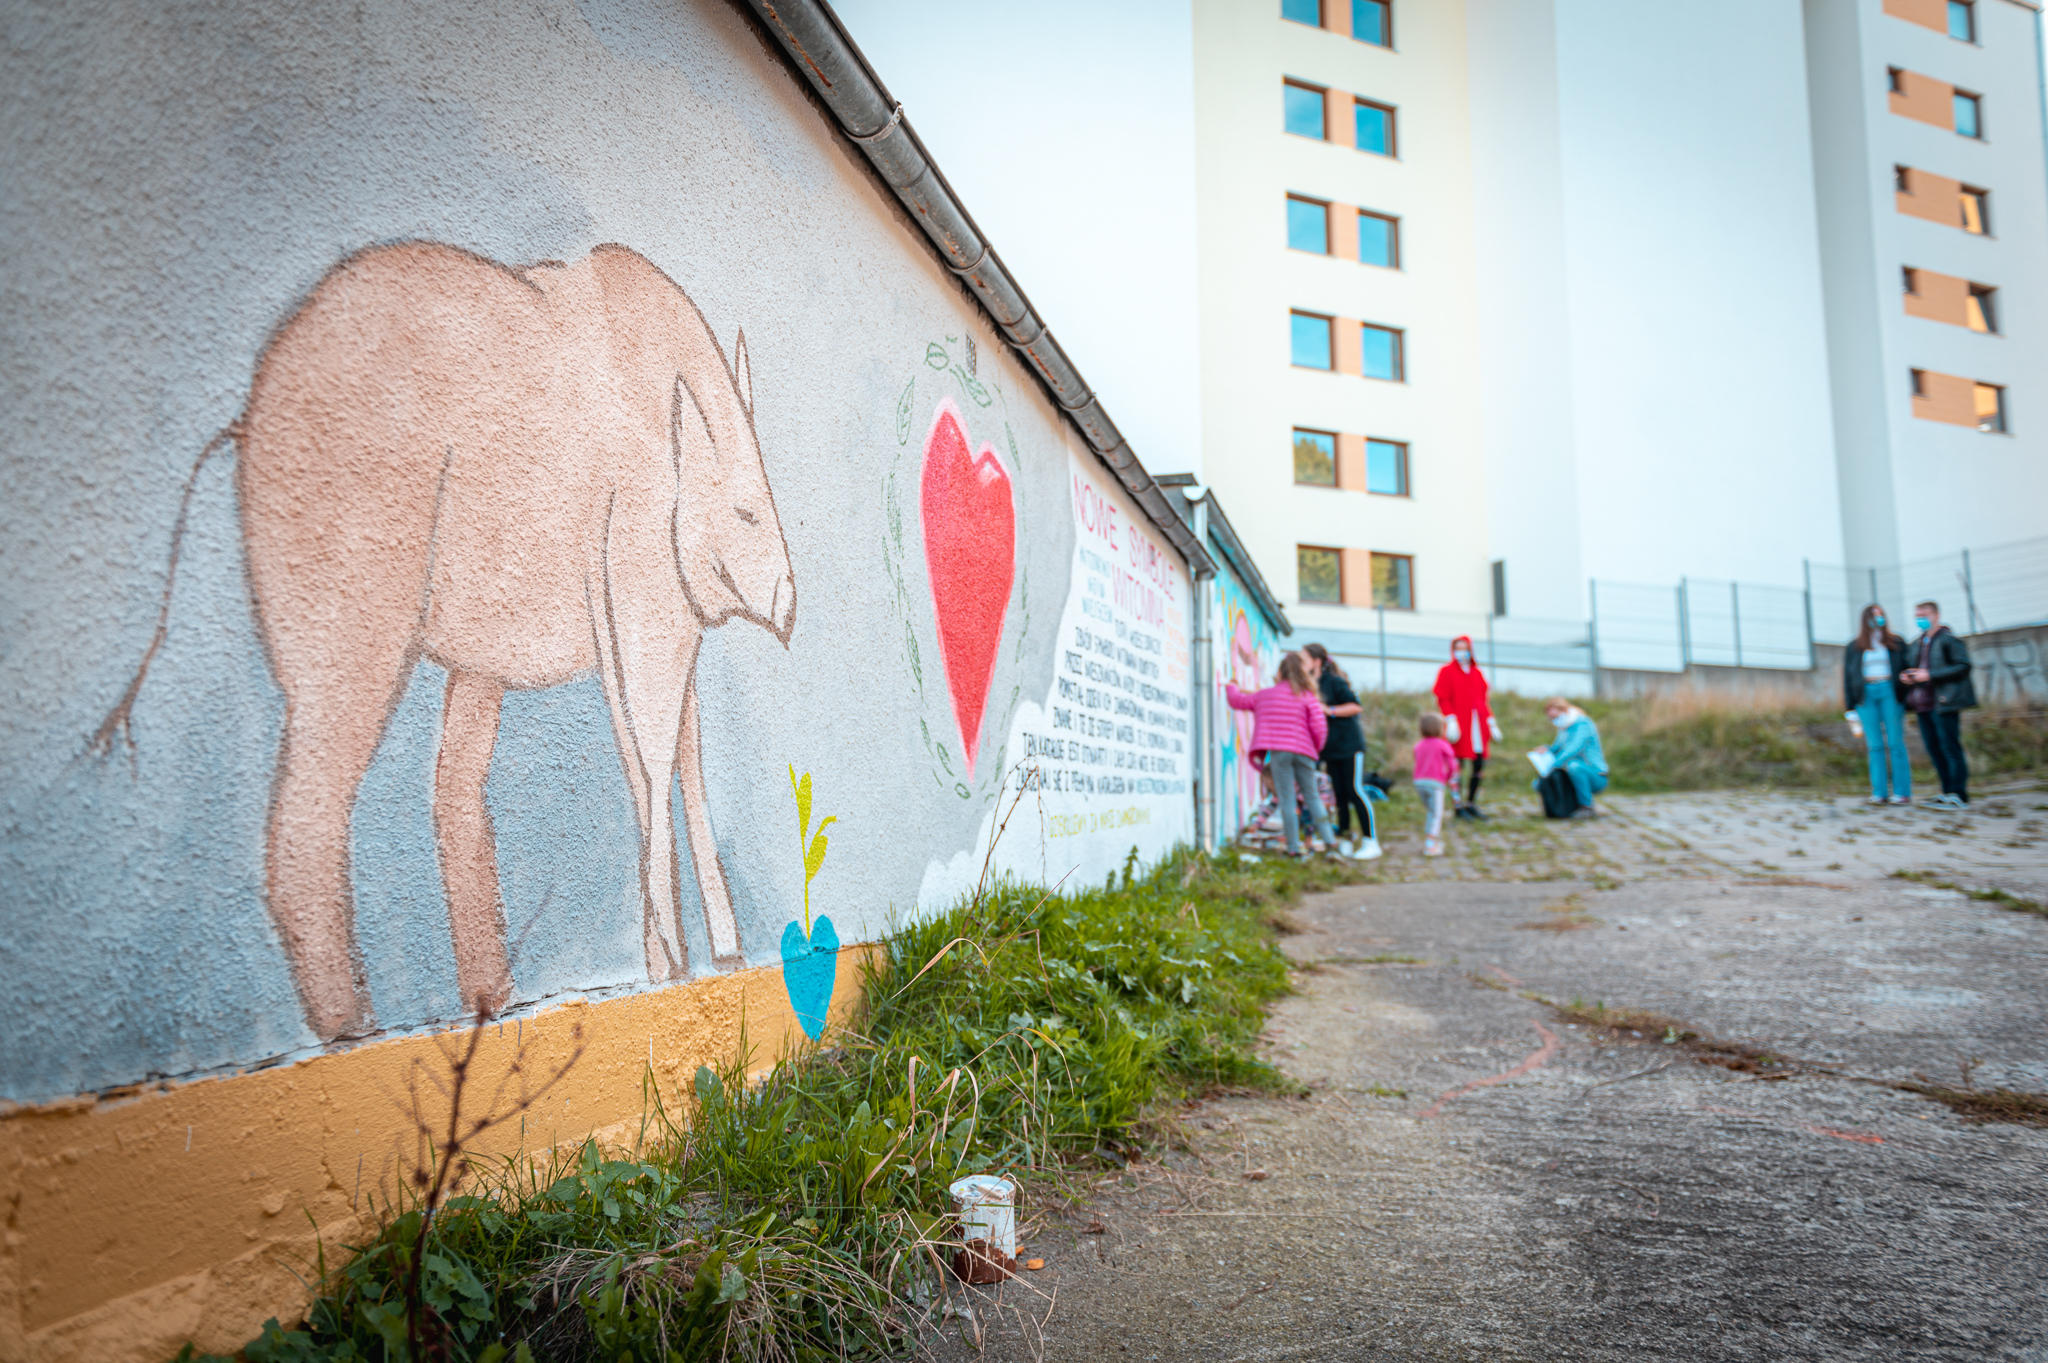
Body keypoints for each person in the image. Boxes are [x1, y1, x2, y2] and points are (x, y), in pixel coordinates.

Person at [1226, 652, 1336, 857]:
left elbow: (1237, 701)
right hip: (1305, 752)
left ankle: (1293, 848)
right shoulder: (1307, 696)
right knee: (1313, 797)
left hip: (1280, 753)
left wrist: (1231, 686)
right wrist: (1315, 748)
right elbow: (1320, 726)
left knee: (1287, 800)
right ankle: (1331, 843)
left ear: (1280, 672)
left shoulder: (1265, 695)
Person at [1303, 643, 1383, 860]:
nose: (1301, 663)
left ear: (1316, 662)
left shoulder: (1334, 682)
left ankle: (1371, 841)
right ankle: (1346, 839)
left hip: (1350, 746)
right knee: (1338, 794)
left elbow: (1355, 706)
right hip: (1329, 749)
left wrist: (1329, 710)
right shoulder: (1309, 685)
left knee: (1354, 790)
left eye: (1304, 659)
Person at [1899, 600, 1976, 808]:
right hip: (1922, 705)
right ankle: (1947, 791)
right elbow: (1916, 668)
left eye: (1923, 615)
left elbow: (1963, 666)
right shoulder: (1916, 643)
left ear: (1936, 615)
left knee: (1950, 748)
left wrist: (1930, 674)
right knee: (1934, 749)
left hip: (1944, 703)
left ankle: (1959, 794)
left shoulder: (1949, 640)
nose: (1920, 620)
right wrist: (1909, 676)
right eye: (1917, 616)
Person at [1842, 604, 1911, 806]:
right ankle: (1879, 792)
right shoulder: (1854, 646)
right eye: (1873, 615)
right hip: (1865, 695)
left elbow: (1906, 668)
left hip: (1890, 692)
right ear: (1865, 619)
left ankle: (1902, 792)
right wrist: (1849, 708)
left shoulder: (1896, 642)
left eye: (1880, 614)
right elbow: (1848, 677)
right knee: (1874, 745)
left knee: (1895, 742)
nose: (1878, 618)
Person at [1432, 636, 1502, 819]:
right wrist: (1451, 719)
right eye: (1458, 648)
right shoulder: (1447, 671)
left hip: (1477, 725)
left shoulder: (1476, 672)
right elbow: (1442, 697)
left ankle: (1471, 803)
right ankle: (1458, 805)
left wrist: (1491, 723)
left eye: (1465, 648)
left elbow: (1483, 700)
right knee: (1456, 766)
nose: (1461, 652)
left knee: (1478, 764)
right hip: (1459, 725)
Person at [1534, 697, 1607, 819]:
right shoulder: (1564, 727)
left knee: (1573, 766)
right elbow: (1558, 747)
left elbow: (1575, 747)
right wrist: (1546, 750)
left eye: (1555, 717)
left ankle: (1587, 807)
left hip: (1595, 775)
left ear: (1564, 711)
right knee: (1541, 782)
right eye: (1551, 718)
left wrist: (1554, 764)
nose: (1554, 720)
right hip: (1574, 773)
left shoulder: (1583, 724)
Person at [1411, 713, 1459, 857]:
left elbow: (1417, 761)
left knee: (1431, 812)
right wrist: (1447, 778)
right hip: (1435, 784)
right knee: (1436, 814)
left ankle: (1432, 840)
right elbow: (1453, 766)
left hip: (1419, 783)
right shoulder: (1443, 745)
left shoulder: (1418, 745)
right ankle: (1430, 845)